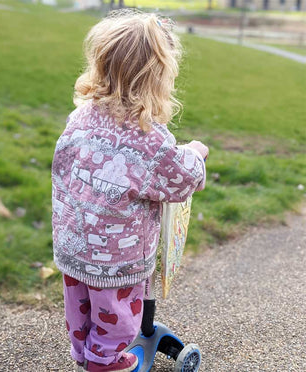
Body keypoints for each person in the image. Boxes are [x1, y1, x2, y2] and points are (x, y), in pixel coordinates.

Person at [51, 10, 209, 372]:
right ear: (158, 79)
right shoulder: (150, 140)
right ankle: (105, 362)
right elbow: (182, 179)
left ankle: (86, 353)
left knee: (82, 307)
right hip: (116, 257)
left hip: (73, 241)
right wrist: (197, 153)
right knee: (120, 316)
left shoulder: (81, 116)